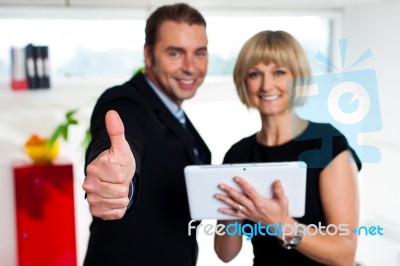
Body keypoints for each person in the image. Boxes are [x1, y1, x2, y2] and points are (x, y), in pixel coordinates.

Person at [213, 30, 361, 265]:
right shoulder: (238, 154)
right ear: (244, 82)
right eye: (255, 74)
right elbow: (225, 253)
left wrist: (282, 224)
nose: (266, 85)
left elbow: (344, 254)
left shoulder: (327, 142)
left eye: (278, 72)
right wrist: (234, 209)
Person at [81, 3, 211, 265]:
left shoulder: (177, 115)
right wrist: (119, 181)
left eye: (199, 53)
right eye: (175, 54)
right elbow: (124, 136)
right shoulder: (127, 100)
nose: (190, 67)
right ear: (148, 55)